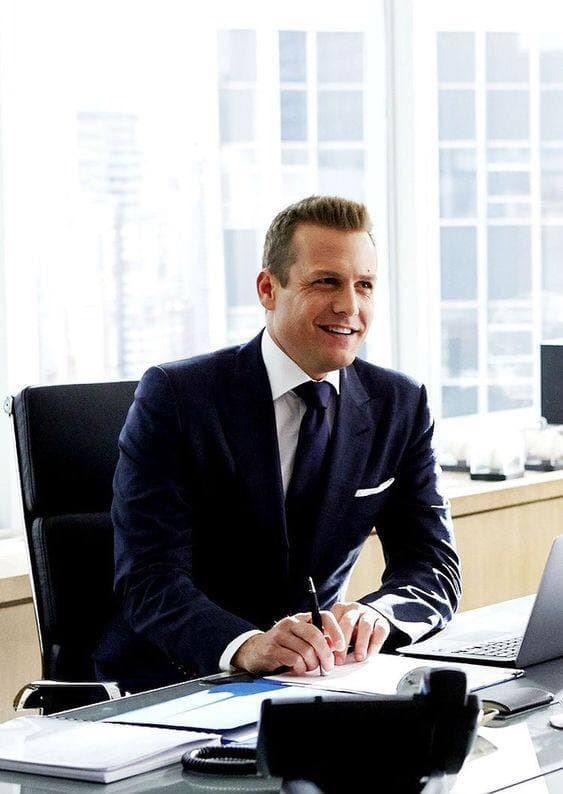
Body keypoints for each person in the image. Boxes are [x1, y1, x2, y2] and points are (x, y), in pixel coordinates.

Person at [94, 195, 461, 692]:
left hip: (318, 678)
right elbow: (149, 575)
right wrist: (246, 645)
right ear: (268, 289)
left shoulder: (399, 403)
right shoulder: (178, 397)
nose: (350, 306)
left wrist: (378, 615)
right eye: (326, 281)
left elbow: (433, 566)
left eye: (364, 285)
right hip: (178, 682)